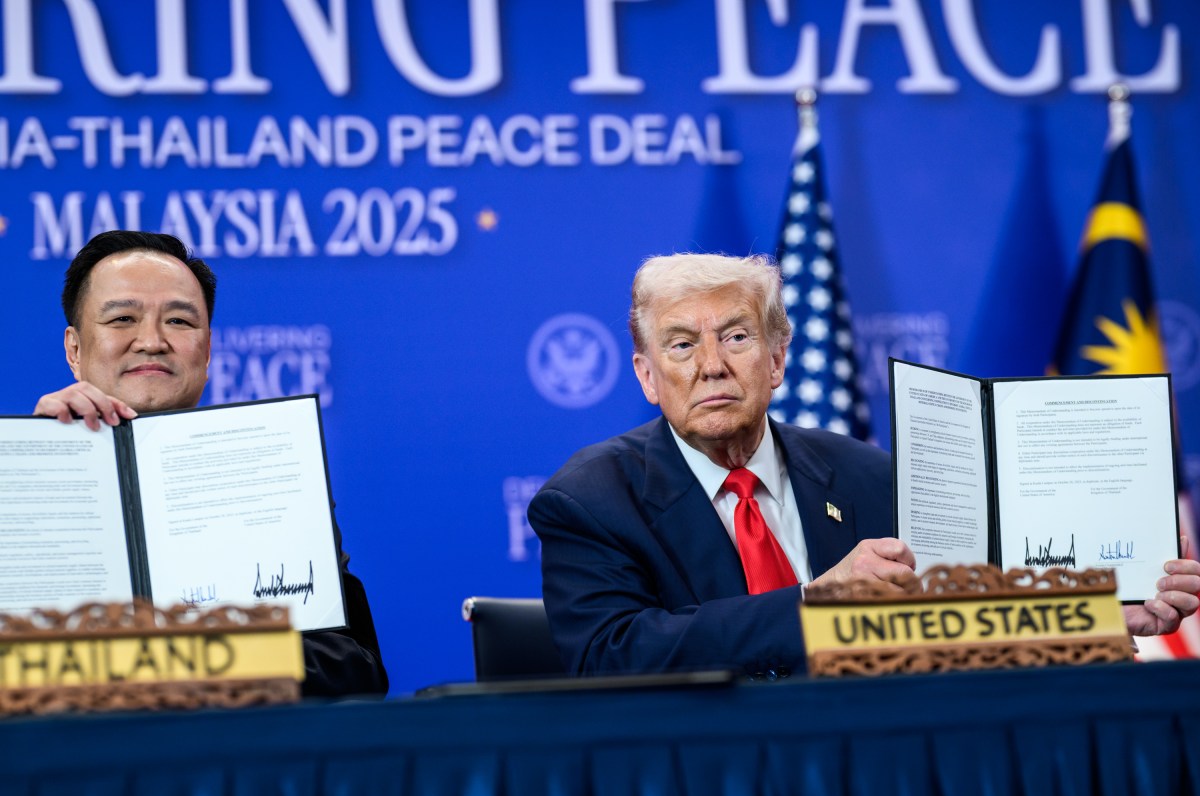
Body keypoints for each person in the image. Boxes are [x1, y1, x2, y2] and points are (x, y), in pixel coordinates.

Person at [529, 253, 1200, 677]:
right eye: (681, 345)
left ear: (778, 359)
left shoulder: (867, 475)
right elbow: (611, 654)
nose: (711, 365)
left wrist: (1105, 615)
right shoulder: (591, 499)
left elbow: (956, 618)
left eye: (737, 336)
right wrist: (818, 603)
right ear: (647, 376)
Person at [34, 230, 388, 697]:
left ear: (208, 352)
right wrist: (38, 469)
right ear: (74, 349)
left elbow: (354, 671)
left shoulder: (273, 476)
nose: (152, 341)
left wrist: (197, 656)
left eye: (179, 322)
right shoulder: (17, 480)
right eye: (122, 318)